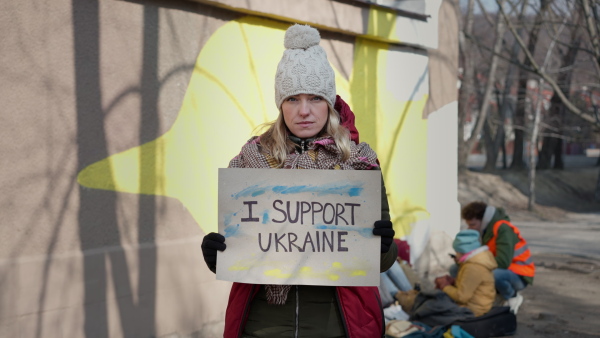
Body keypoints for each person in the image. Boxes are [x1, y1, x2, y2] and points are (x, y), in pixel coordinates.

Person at [201, 24, 398, 337]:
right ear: (280, 104)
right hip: (262, 325)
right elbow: (243, 251)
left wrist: (382, 245)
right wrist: (218, 254)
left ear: (330, 103)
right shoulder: (248, 164)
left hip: (335, 324)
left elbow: (382, 262)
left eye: (315, 98)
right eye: (292, 99)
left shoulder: (359, 166)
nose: (304, 111)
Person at [461, 201, 535, 314]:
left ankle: (511, 296)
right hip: (506, 271)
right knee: (460, 270)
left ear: (483, 220)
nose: (470, 229)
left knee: (488, 274)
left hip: (520, 275)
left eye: (473, 224)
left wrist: (475, 263)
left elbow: (503, 262)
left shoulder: (502, 229)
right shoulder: (485, 231)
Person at [435, 229, 497, 317]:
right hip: (478, 304)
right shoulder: (475, 261)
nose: (455, 254)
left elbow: (462, 297)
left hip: (474, 310)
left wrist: (444, 286)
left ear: (462, 251)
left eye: (456, 251)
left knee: (433, 309)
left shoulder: (473, 267)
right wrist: (454, 281)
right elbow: (471, 285)